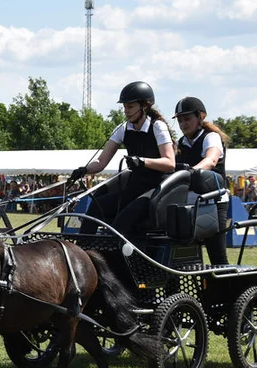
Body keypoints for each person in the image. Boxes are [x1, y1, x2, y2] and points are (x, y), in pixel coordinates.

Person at [72, 81, 175, 237]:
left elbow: (170, 163)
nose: (126, 111)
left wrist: (142, 161)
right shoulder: (123, 128)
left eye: (130, 107)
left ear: (144, 106)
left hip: (157, 189)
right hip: (135, 188)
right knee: (96, 207)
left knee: (123, 221)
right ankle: (83, 250)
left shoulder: (157, 126)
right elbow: (101, 162)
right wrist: (84, 170)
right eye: (124, 107)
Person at [173, 97, 230, 265]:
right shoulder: (180, 143)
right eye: (180, 120)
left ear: (201, 117)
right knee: (177, 252)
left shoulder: (211, 137)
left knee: (217, 255)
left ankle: (224, 289)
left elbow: (210, 161)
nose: (184, 124)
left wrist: (191, 171)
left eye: (188, 118)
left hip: (214, 202)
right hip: (188, 203)